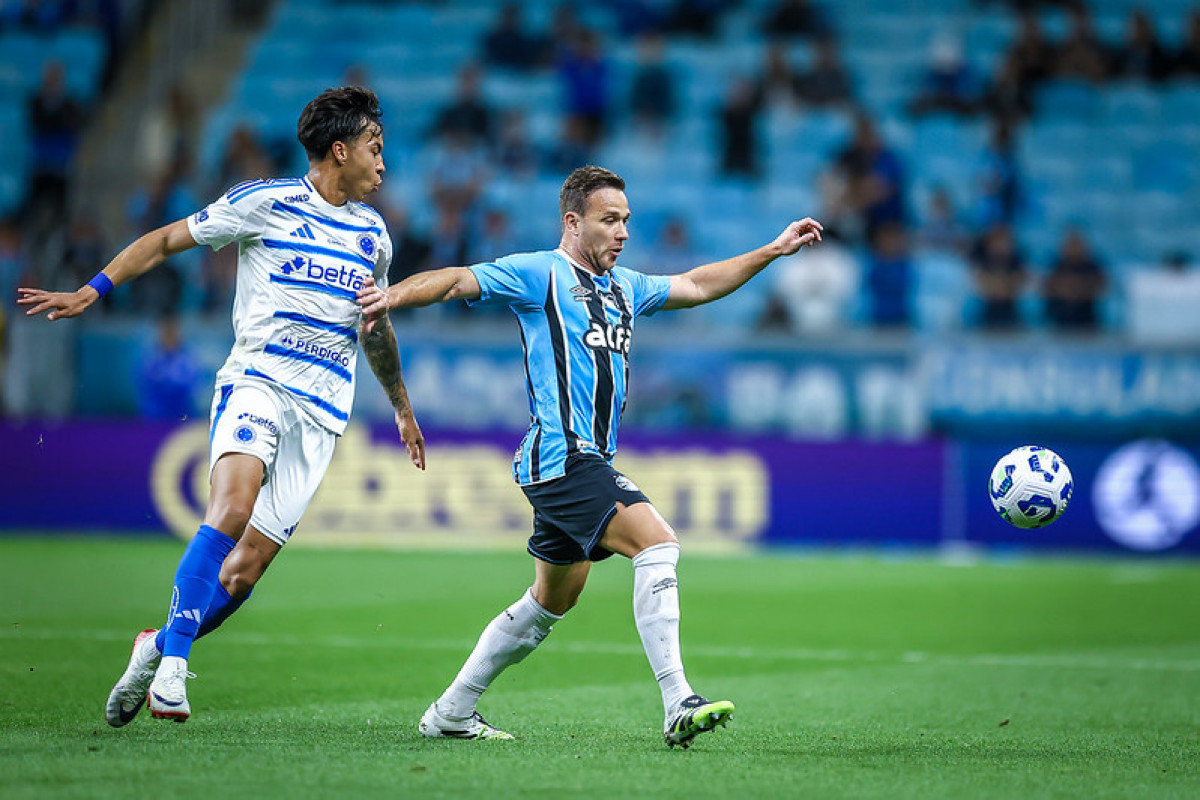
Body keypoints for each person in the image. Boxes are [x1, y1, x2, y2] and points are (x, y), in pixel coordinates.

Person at [357, 165, 823, 748]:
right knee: (658, 543)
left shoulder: (625, 286)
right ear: (573, 222)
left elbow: (699, 285)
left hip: (575, 462)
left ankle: (451, 710)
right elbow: (455, 281)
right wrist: (390, 296)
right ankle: (678, 699)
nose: (622, 232)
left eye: (626, 220)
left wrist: (774, 250)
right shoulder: (539, 273)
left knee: (552, 600)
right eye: (610, 220)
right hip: (564, 455)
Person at [17, 86, 426, 726]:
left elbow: (374, 326)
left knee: (244, 573)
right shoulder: (264, 202)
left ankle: (154, 647)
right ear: (340, 151)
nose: (384, 163)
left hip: (321, 416)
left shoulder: (374, 235)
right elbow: (163, 241)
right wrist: (92, 290)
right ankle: (174, 673)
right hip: (257, 382)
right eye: (376, 149)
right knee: (231, 508)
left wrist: (400, 405)